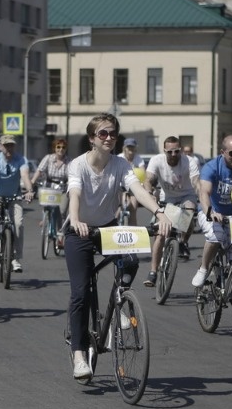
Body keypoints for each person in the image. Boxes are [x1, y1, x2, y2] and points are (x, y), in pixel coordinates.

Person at [65, 113, 171, 381]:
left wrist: (159, 213)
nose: (109, 138)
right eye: (103, 134)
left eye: (113, 134)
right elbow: (75, 193)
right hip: (79, 231)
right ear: (92, 139)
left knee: (131, 261)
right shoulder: (78, 165)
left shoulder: (121, 165)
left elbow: (137, 189)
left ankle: (117, 302)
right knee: (80, 292)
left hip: (107, 227)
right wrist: (75, 220)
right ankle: (79, 354)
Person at [191, 135, 232, 287]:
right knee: (215, 237)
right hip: (212, 211)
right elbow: (204, 192)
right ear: (222, 152)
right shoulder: (212, 167)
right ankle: (204, 268)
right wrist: (210, 212)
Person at [143, 135, 200, 286]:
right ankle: (153, 272)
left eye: (176, 151)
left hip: (187, 195)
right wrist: (149, 194)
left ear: (180, 150)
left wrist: (202, 194)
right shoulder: (157, 160)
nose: (173, 155)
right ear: (164, 151)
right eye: (170, 152)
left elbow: (196, 182)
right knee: (161, 233)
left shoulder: (189, 161)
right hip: (167, 198)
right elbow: (148, 180)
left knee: (188, 217)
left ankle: (183, 242)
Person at [0, 135, 34, 272]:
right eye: (6, 145)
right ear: (0, 146)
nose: (9, 148)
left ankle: (16, 258)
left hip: (15, 196)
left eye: (11, 145)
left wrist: (29, 190)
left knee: (18, 224)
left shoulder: (20, 159)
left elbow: (24, 175)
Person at [31, 138, 70, 244]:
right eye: (58, 147)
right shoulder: (48, 158)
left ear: (66, 149)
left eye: (63, 147)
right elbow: (39, 170)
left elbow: (72, 176)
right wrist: (33, 181)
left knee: (61, 211)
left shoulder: (68, 161)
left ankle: (60, 235)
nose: (61, 149)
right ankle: (45, 220)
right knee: (47, 205)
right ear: (54, 148)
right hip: (49, 187)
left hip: (62, 189)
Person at [118, 137, 145, 226]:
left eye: (132, 147)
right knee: (124, 205)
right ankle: (117, 223)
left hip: (133, 186)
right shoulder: (119, 158)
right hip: (121, 187)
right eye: (128, 147)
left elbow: (142, 171)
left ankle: (133, 230)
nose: (130, 149)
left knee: (133, 206)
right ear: (124, 148)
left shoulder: (138, 158)